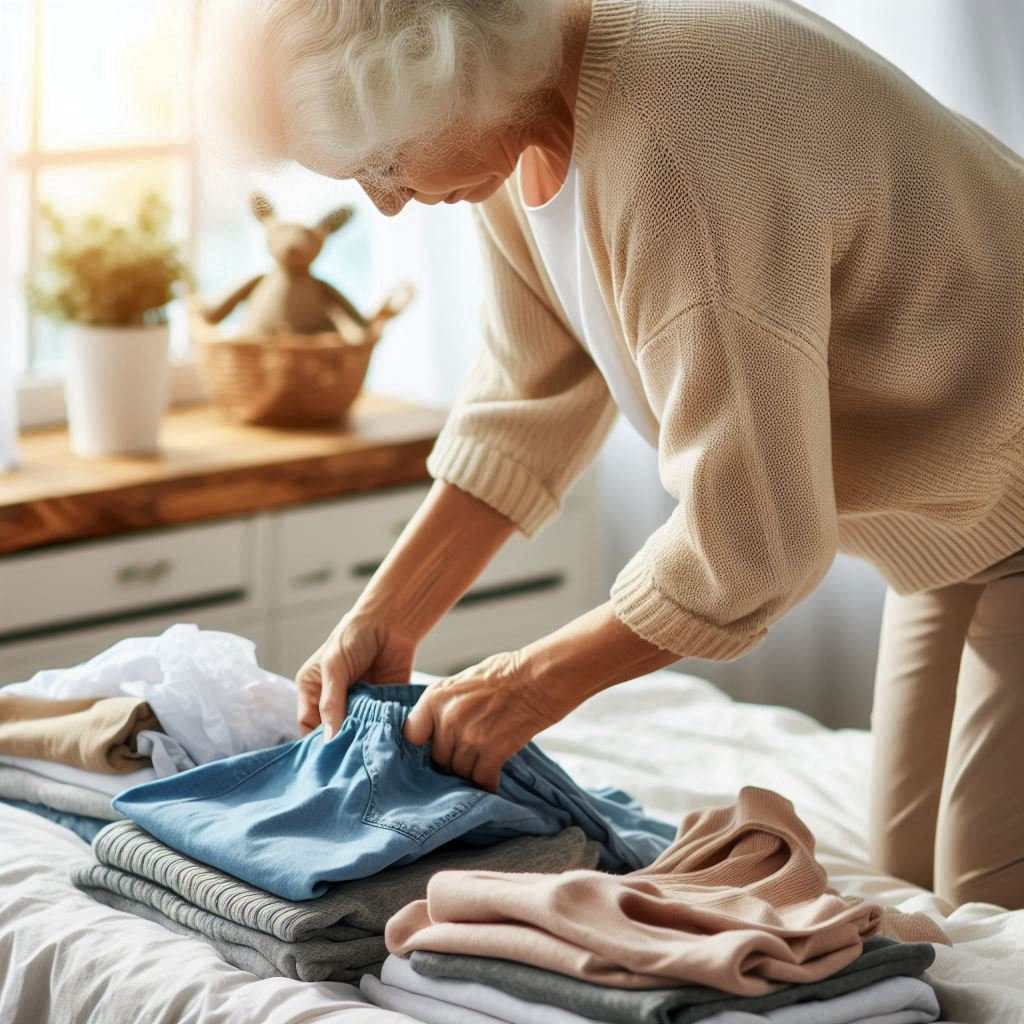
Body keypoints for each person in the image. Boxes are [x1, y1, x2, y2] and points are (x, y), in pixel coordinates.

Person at [201, 0, 1024, 909]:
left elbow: (753, 534)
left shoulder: (681, 137)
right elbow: (528, 395)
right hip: (960, 517)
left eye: (384, 164)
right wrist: (386, 617)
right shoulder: (518, 122)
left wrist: (527, 685)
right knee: (912, 876)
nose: (387, 202)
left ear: (451, 78)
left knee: (990, 902)